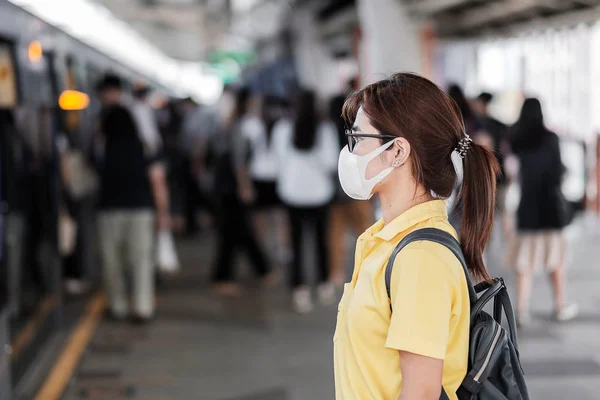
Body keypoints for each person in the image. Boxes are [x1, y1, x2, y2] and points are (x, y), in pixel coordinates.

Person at [333, 73, 499, 400]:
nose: (349, 151)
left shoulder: (420, 256)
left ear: (397, 151)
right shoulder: (388, 238)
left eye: (358, 138)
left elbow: (420, 394)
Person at [94, 74, 170, 322]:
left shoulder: (102, 150)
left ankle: (117, 306)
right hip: (141, 208)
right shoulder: (143, 149)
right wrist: (163, 212)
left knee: (112, 262)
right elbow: (157, 178)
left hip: (109, 209)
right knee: (140, 261)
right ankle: (143, 307)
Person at [507, 98, 578, 326]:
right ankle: (559, 305)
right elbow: (558, 171)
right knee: (556, 260)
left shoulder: (517, 140)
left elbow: (512, 172)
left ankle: (521, 309)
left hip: (527, 207)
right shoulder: (551, 138)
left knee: (525, 263)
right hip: (549, 208)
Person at [273, 89, 339, 313]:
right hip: (319, 193)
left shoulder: (282, 129)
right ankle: (324, 284)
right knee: (321, 240)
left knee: (296, 242)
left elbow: (278, 162)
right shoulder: (325, 129)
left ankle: (299, 289)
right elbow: (331, 162)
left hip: (292, 193)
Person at [208, 86, 275, 296]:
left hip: (225, 187)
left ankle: (261, 270)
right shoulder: (240, 126)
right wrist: (244, 186)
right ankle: (225, 277)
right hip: (232, 188)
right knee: (235, 232)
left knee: (237, 231)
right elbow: (239, 161)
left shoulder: (230, 123)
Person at [327, 93, 373, 285]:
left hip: (334, 191)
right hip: (359, 188)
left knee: (335, 234)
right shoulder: (359, 129)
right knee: (366, 231)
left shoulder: (327, 128)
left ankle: (336, 273)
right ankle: (368, 271)